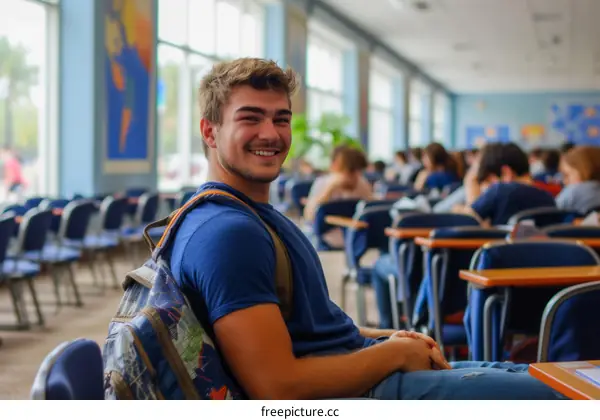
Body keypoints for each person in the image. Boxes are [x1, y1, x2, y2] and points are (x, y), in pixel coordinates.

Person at [167, 57, 561, 400]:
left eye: (281, 119)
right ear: (209, 131)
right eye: (250, 118)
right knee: (563, 395)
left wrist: (392, 338)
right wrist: (393, 354)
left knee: (555, 377)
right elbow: (278, 388)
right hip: (357, 394)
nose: (271, 133)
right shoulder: (227, 233)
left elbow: (310, 329)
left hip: (362, 370)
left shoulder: (247, 215)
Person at [456, 142, 556, 226]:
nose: (485, 190)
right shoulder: (548, 197)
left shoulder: (500, 189)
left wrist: (471, 185)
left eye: (488, 182)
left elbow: (468, 223)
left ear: (506, 173)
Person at [555, 145, 600, 214]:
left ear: (585, 170)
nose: (564, 181)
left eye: (567, 175)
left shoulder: (573, 190)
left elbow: (555, 208)